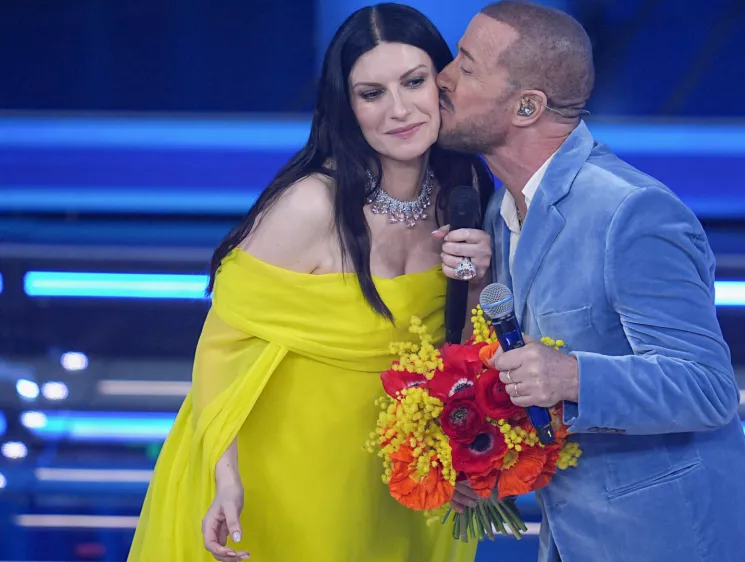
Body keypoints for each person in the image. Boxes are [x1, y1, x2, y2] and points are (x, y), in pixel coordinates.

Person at [127, 4, 495, 561]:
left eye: (414, 82)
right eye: (371, 93)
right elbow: (220, 350)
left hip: (399, 481)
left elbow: (458, 349)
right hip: (275, 476)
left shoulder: (464, 189)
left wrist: (476, 283)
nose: (399, 110)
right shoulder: (308, 206)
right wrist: (224, 475)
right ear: (346, 107)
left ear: (441, 84)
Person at [438, 2, 745, 561]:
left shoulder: (630, 211)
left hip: (680, 542)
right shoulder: (501, 213)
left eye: (467, 66)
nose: (443, 78)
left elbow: (707, 386)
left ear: (528, 106)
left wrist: (569, 374)